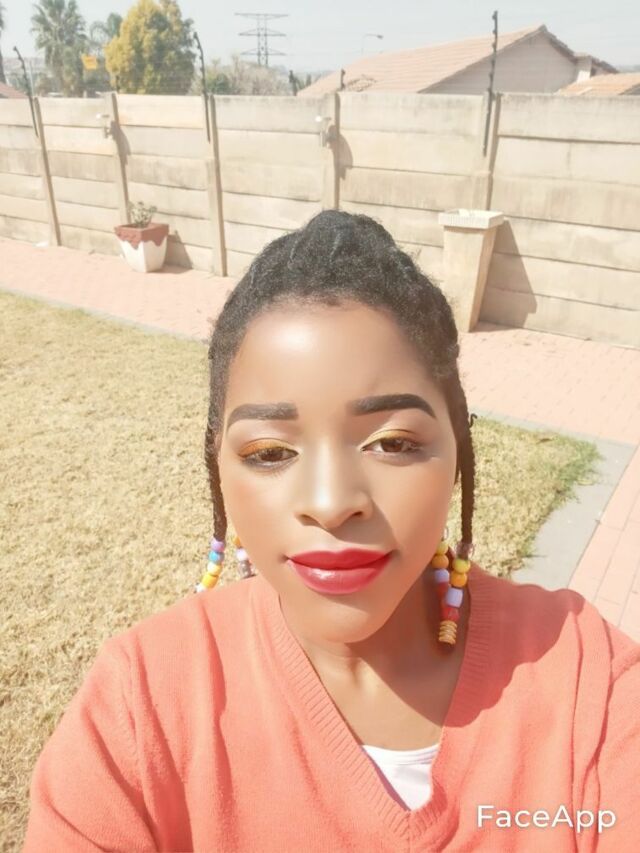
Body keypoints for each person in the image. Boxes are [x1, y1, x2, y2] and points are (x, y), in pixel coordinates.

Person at [23, 211, 639, 852]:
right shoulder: (138, 707)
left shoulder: (588, 684)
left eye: (393, 442)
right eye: (269, 452)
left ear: (457, 447)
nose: (331, 504)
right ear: (218, 467)